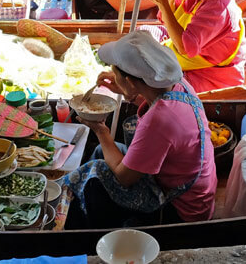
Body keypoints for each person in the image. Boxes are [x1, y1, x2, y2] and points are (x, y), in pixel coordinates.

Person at [62, 30, 217, 228]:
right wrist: (126, 88)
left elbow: (123, 177)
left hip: (181, 209)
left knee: (95, 172)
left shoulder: (159, 119)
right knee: (102, 151)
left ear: (130, 81)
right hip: (193, 187)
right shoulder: (178, 84)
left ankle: (97, 229)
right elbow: (152, 96)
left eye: (117, 73)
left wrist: (101, 131)